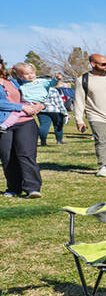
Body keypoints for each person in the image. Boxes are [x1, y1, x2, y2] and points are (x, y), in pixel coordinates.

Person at [1, 64, 44, 197]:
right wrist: (21, 107)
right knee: (8, 157)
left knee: (26, 155)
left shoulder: (13, 81)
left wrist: (40, 104)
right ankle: (14, 188)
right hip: (3, 124)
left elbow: (35, 90)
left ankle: (32, 188)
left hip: (25, 122)